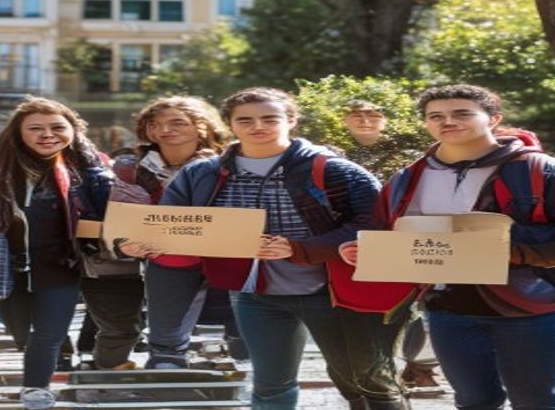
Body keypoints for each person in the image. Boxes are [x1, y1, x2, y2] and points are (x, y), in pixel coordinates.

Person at [340, 84, 555, 410]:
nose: (447, 121)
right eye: (436, 116)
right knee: (474, 402)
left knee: (537, 403)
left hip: (532, 308)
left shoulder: (546, 171)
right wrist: (362, 250)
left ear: (494, 118)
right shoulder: (406, 178)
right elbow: (386, 231)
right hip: (447, 311)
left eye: (462, 113)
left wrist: (506, 247)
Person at [161, 87, 406, 409]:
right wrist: (146, 243)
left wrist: (300, 249)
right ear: (230, 125)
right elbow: (169, 223)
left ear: (291, 120)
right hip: (254, 294)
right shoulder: (201, 173)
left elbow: (373, 224)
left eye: (269, 118)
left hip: (331, 291)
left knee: (363, 378)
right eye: (245, 120)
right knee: (270, 384)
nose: (257, 127)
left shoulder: (335, 170)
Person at [0, 97, 111, 410]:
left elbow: (107, 212)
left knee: (50, 334)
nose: (47, 134)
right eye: (35, 128)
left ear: (74, 131)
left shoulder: (83, 171)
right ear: (17, 132)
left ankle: (36, 390)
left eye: (57, 127)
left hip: (58, 265)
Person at [115, 96, 238, 369]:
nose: (164, 130)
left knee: (241, 329)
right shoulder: (130, 168)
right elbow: (118, 218)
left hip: (226, 254)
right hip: (166, 257)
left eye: (177, 122)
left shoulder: (230, 164)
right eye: (155, 124)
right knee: (167, 334)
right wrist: (126, 241)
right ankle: (167, 366)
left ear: (202, 127)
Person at [341, 100, 438, 389]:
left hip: (407, 240)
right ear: (344, 120)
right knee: (371, 317)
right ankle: (380, 376)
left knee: (418, 308)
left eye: (373, 115)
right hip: (356, 243)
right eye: (356, 115)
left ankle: (419, 367)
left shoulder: (408, 158)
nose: (365, 121)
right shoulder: (337, 156)